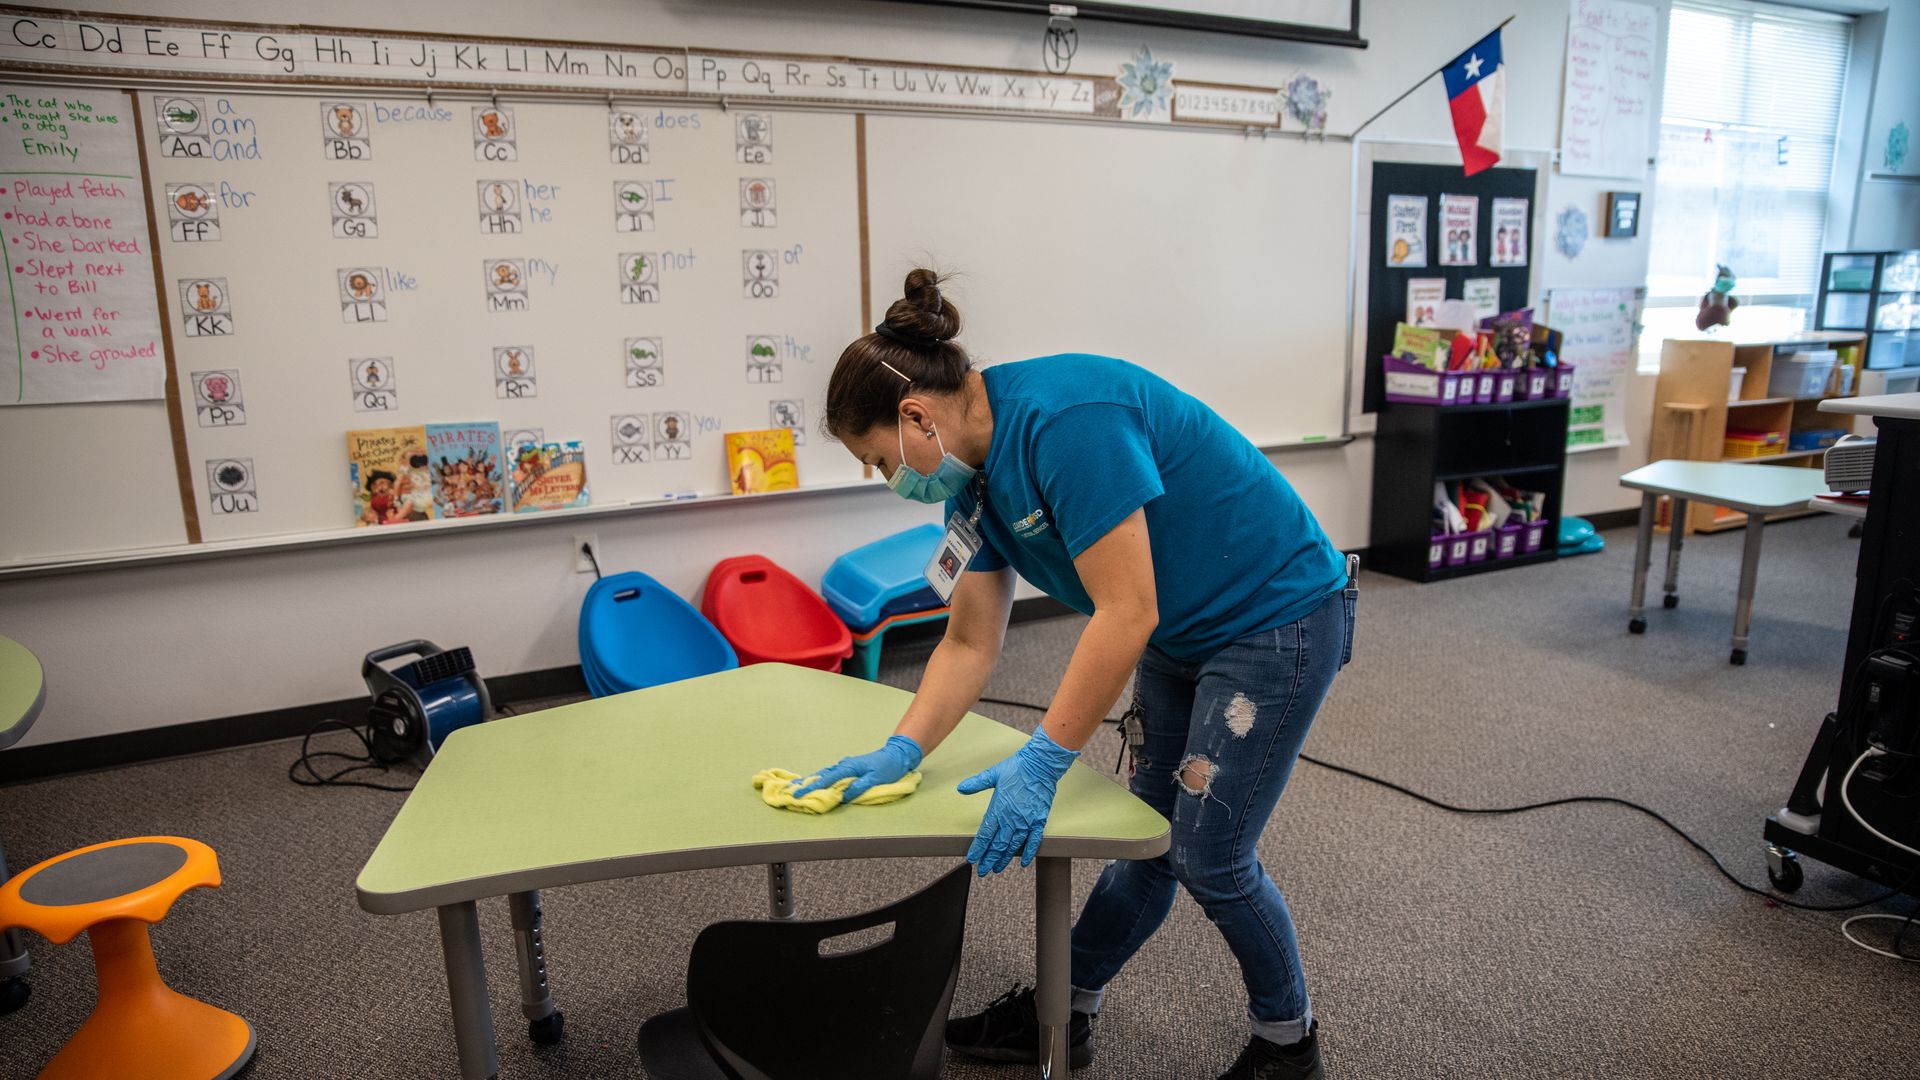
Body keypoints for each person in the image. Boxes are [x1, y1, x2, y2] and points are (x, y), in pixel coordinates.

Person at [794, 270, 1356, 1079]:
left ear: (916, 416)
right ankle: (1066, 1008)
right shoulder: (973, 481)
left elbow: (1125, 612)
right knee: (1147, 841)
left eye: (880, 460)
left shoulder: (1065, 423)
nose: (891, 482)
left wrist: (1045, 756)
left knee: (1211, 856)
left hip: (1276, 618)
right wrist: (902, 749)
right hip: (1182, 629)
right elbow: (966, 644)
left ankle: (1287, 1042)